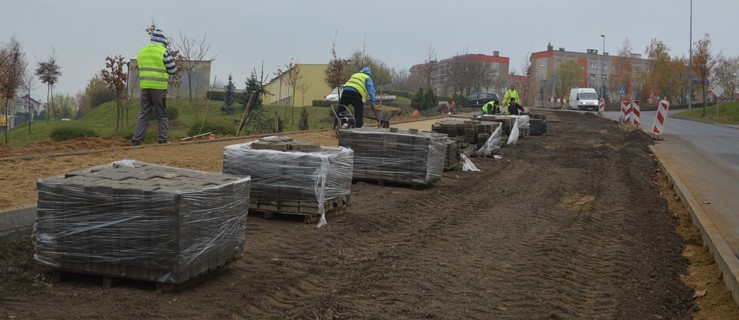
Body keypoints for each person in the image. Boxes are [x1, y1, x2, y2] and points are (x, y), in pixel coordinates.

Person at [131, 28, 178, 146]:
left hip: (145, 87)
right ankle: (163, 139)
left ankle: (137, 139)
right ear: (163, 42)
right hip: (158, 88)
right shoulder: (163, 51)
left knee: (144, 113)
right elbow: (173, 70)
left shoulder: (141, 52)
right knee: (162, 114)